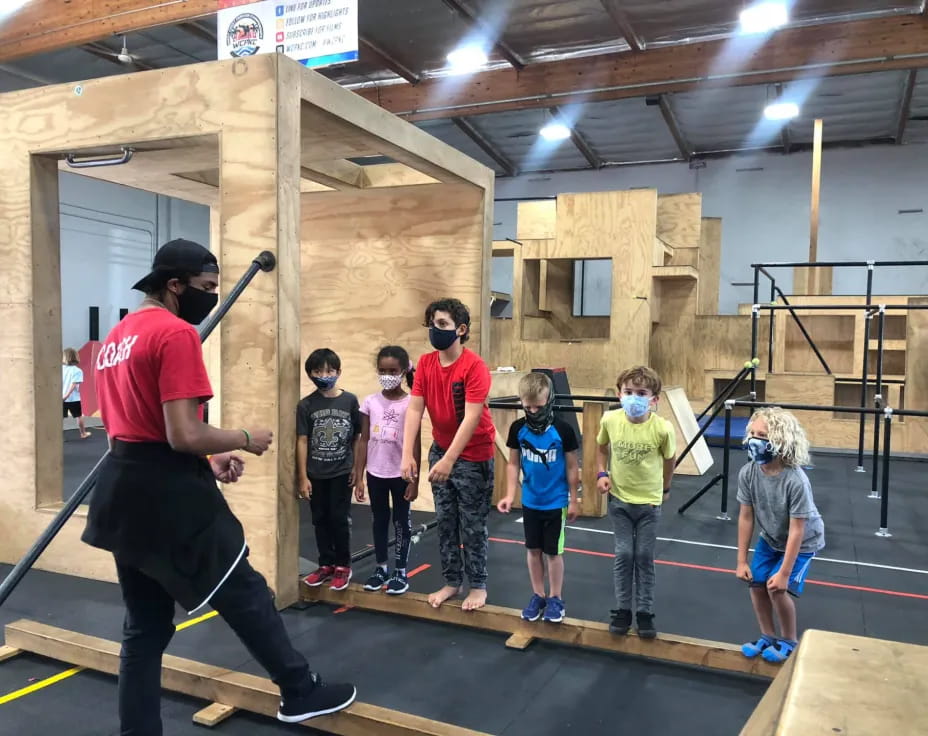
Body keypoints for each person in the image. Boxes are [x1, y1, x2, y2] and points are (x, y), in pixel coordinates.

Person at [81, 238, 355, 734]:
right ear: (174, 285)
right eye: (206, 288)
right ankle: (300, 690)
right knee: (245, 589)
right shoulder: (174, 334)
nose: (210, 296)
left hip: (125, 491)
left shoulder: (118, 336)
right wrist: (243, 438)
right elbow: (181, 433)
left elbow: (142, 430)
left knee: (145, 627)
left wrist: (210, 456)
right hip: (169, 497)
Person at [401, 298, 495, 611]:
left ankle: (478, 585)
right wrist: (407, 454)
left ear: (461, 329)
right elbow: (415, 408)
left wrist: (450, 460)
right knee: (445, 521)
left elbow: (471, 417)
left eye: (442, 324)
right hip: (442, 448)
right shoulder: (426, 364)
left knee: (472, 523)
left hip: (473, 453)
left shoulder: (474, 367)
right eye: (432, 324)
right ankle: (452, 582)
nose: (435, 330)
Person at [736, 407, 825, 664]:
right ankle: (767, 635)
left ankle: (789, 639)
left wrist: (784, 573)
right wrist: (741, 560)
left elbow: (798, 529)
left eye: (762, 435)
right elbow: (746, 516)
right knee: (757, 583)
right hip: (771, 537)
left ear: (781, 441)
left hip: (803, 542)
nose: (754, 440)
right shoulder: (748, 473)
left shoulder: (795, 480)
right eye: (752, 433)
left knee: (776, 589)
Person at [596, 365, 675, 639]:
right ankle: (622, 610)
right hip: (619, 500)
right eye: (628, 392)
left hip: (649, 504)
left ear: (654, 399)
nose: (634, 398)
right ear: (619, 394)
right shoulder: (610, 420)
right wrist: (602, 472)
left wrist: (665, 488)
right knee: (624, 554)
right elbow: (601, 447)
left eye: (641, 393)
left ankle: (645, 611)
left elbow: (669, 459)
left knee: (643, 556)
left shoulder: (662, 428)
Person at [497, 372, 580, 623]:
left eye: (539, 406)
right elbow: (513, 464)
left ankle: (556, 598)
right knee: (533, 550)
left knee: (553, 552)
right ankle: (538, 595)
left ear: (549, 400)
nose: (533, 411)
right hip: (531, 501)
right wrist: (511, 494)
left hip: (555, 501)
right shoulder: (518, 429)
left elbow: (572, 467)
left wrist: (573, 499)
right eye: (528, 406)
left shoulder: (562, 431)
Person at [354, 346, 420, 595]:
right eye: (382, 371)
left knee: (401, 521)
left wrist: (414, 479)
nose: (387, 375)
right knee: (379, 520)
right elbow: (363, 440)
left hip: (401, 473)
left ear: (403, 371)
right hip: (375, 472)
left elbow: (415, 444)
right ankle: (380, 567)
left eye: (392, 371)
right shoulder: (370, 402)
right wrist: (359, 477)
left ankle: (400, 571)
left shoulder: (411, 403)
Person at [298, 348, 362, 592]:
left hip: (341, 472)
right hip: (316, 473)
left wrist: (357, 469)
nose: (324, 375)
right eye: (318, 371)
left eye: (329, 370)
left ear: (338, 372)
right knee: (319, 519)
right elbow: (302, 440)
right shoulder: (306, 405)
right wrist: (302, 476)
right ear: (310, 374)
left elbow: (357, 437)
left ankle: (343, 564)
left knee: (339, 519)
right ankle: (325, 563)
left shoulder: (350, 401)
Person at [62, 347, 91, 439]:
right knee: (79, 415)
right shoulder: (77, 371)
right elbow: (74, 384)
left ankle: (59, 436)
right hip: (73, 398)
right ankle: (83, 433)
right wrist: (67, 395)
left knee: (60, 418)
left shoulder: (60, 369)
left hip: (61, 398)